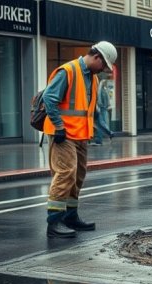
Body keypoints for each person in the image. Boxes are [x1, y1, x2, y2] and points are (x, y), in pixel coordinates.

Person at [43, 41, 118, 238]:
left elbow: (87, 111)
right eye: (104, 65)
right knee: (65, 173)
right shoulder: (67, 71)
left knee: (77, 176)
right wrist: (58, 127)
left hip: (81, 135)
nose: (103, 70)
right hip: (63, 134)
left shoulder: (92, 79)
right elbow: (49, 98)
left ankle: (70, 216)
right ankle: (54, 222)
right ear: (97, 57)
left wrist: (99, 131)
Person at [90, 79, 114, 146]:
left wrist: (99, 106)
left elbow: (99, 100)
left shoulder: (101, 90)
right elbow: (108, 100)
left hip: (101, 109)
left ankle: (99, 140)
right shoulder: (105, 90)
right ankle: (109, 133)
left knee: (99, 124)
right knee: (102, 124)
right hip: (104, 109)